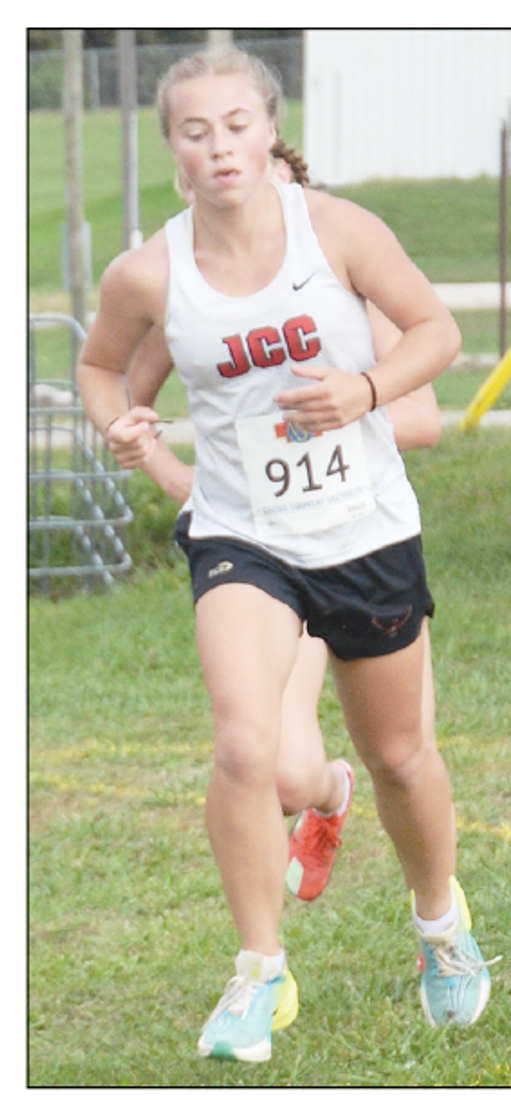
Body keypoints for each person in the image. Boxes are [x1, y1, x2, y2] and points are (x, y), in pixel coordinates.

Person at [77, 46, 495, 1064]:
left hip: (363, 530)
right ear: (172, 149)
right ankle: (258, 970)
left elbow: (437, 330)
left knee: (398, 757)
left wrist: (363, 390)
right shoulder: (151, 270)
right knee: (244, 745)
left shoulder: (340, 231)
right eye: (194, 130)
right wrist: (125, 427)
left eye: (235, 124)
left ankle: (440, 923)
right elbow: (102, 370)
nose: (218, 146)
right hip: (242, 533)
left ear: (270, 130)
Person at [128, 143, 443, 906]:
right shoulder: (190, 291)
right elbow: (126, 403)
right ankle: (322, 812)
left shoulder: (350, 284)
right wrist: (180, 475)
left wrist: (346, 405)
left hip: (360, 540)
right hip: (260, 553)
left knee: (399, 756)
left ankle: (428, 898)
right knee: (273, 770)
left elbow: (425, 417)